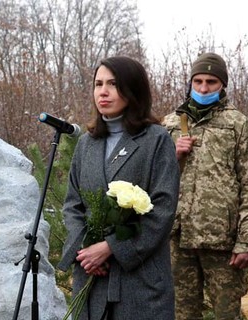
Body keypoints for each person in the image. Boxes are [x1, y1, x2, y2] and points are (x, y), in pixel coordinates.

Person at [57, 56, 180, 319]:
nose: (103, 91)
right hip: (92, 279)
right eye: (98, 83)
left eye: (113, 84)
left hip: (139, 282)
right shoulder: (86, 143)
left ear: (133, 89)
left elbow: (163, 210)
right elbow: (72, 205)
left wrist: (111, 248)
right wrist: (87, 252)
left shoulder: (156, 140)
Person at [162, 52, 248, 319]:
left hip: (223, 242)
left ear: (223, 85)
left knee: (226, 314)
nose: (203, 88)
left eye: (211, 82)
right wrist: (173, 155)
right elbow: (154, 178)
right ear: (190, 83)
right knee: (181, 314)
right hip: (178, 237)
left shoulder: (238, 124)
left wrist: (246, 241)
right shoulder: (171, 123)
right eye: (198, 81)